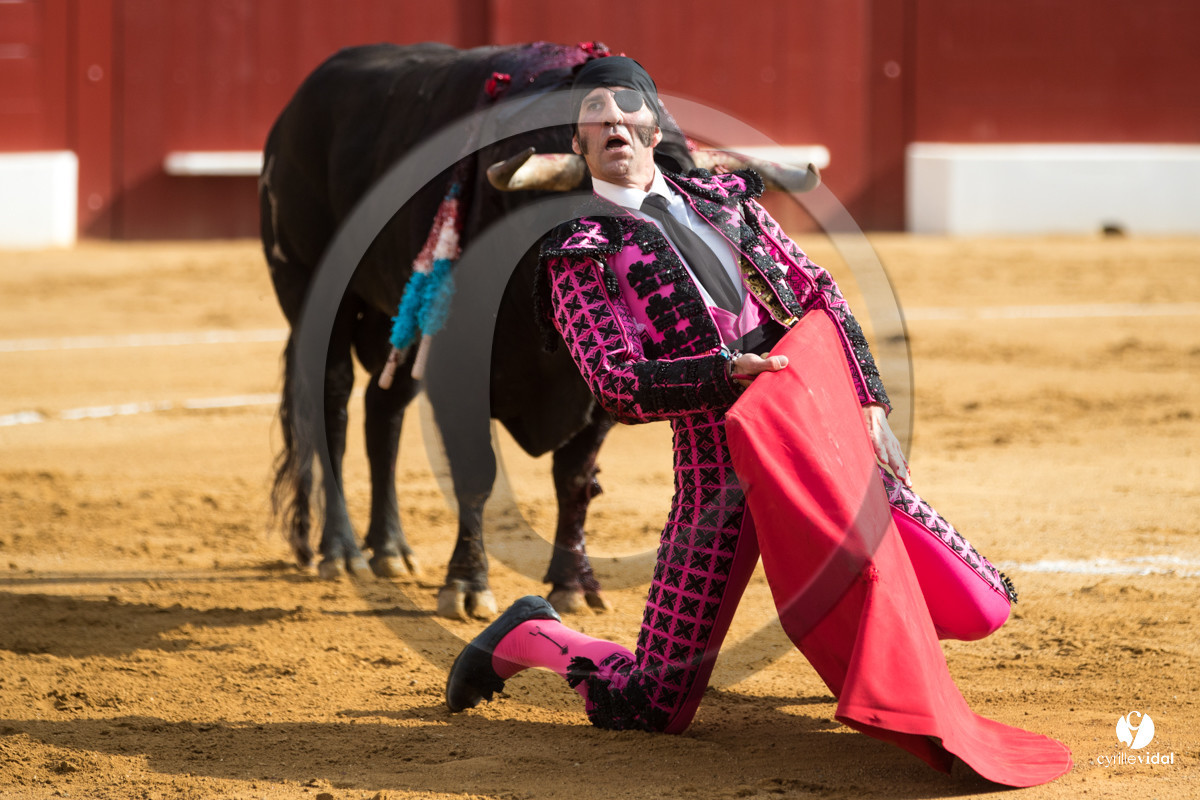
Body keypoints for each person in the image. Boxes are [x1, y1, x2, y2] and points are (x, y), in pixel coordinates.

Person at [446, 56, 1070, 786]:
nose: (612, 120)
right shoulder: (580, 250)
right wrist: (720, 375)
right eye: (593, 115)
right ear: (578, 146)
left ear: (654, 124)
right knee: (651, 705)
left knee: (980, 603)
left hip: (811, 439)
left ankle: (867, 649)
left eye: (626, 107)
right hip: (716, 470)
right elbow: (614, 384)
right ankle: (531, 630)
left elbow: (819, 295)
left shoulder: (726, 201)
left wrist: (867, 401)